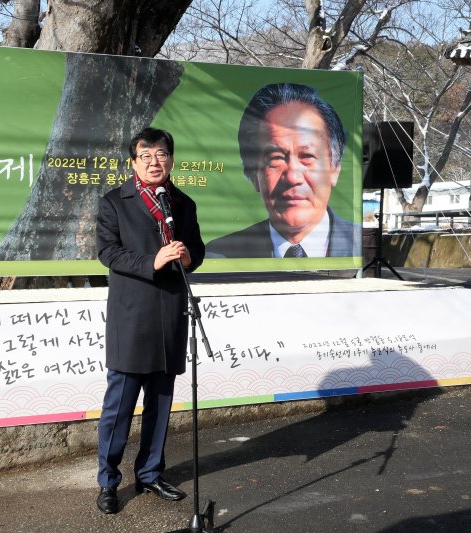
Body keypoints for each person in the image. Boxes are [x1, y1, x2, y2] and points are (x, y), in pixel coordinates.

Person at [94, 127, 206, 514]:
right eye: (146, 156)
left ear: (171, 160)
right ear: (133, 162)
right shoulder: (115, 202)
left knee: (160, 404)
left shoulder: (183, 204)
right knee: (119, 407)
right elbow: (107, 252)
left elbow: (197, 248)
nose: (154, 162)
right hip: (132, 318)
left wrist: (189, 257)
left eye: (161, 155)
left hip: (171, 315)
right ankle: (109, 481)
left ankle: (151, 473)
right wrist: (151, 262)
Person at [206, 83, 359, 258]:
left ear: (334, 170)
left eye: (307, 156)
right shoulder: (219, 254)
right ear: (254, 175)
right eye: (275, 158)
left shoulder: (362, 246)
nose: (293, 177)